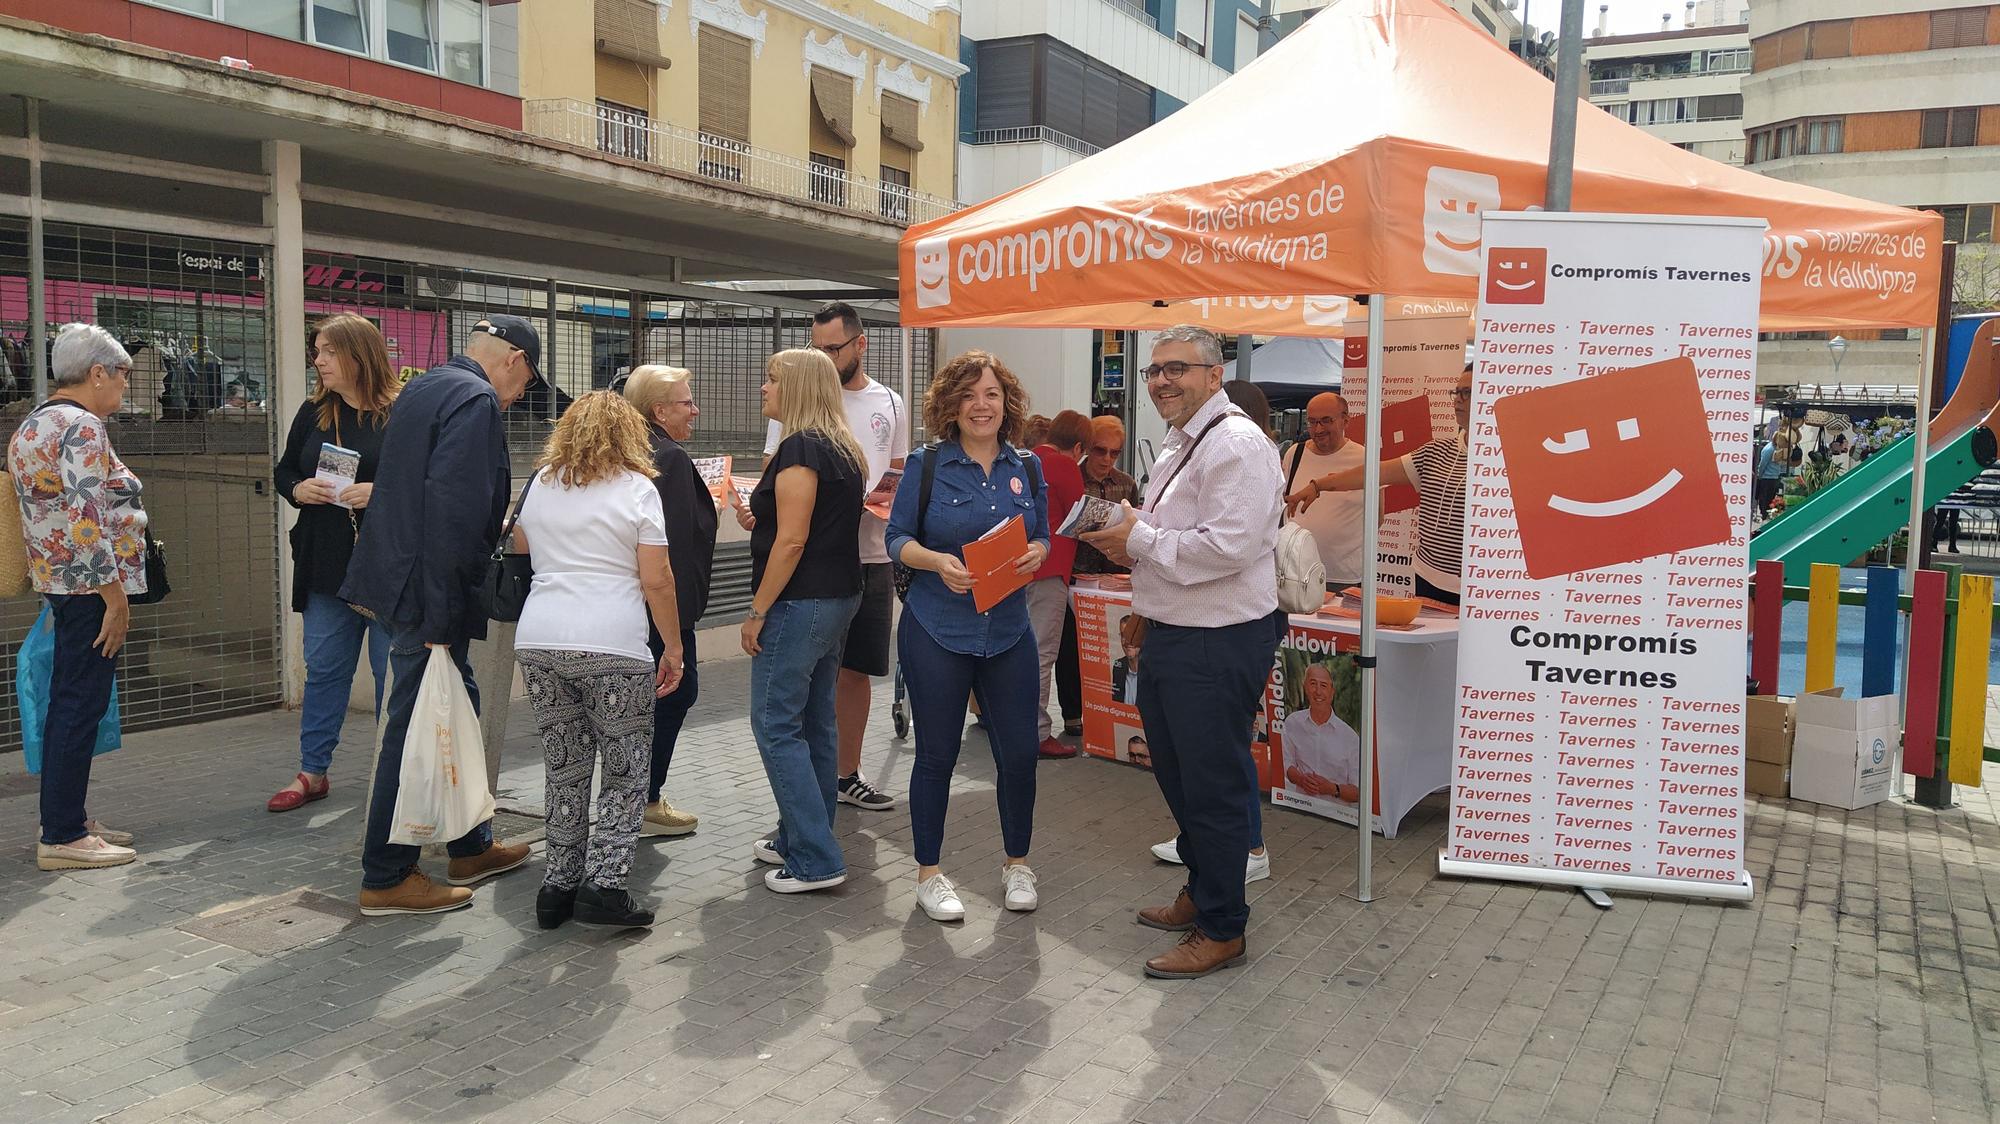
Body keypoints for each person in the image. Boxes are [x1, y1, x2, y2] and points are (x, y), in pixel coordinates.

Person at [1081, 324, 1284, 980]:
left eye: (1178, 369)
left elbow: (1226, 547)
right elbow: (1173, 529)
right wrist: (1142, 592)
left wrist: (1135, 540)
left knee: (1213, 786)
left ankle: (1224, 928)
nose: (1162, 380)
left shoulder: (1237, 443)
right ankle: (1203, 891)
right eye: (1154, 371)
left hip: (1217, 640)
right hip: (1174, 632)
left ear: (1214, 374)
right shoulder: (1183, 439)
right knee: (1178, 778)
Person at [340, 315, 540, 916]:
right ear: (513, 360)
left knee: (456, 702)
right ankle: (386, 874)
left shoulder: (428, 385)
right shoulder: (476, 398)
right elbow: (454, 509)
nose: (521, 395)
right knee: (411, 725)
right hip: (427, 589)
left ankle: (470, 844)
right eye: (527, 381)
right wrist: (446, 610)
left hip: (401, 577)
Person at [886, 350, 1050, 923]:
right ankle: (929, 874)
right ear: (951, 405)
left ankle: (1017, 863)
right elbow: (895, 540)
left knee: (1021, 755)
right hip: (937, 629)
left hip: (1008, 630)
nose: (981, 406)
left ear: (1007, 404)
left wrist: (1037, 552)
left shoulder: (1026, 466)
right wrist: (936, 561)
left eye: (992, 395)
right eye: (969, 395)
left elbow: (1045, 535)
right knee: (936, 754)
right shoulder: (926, 464)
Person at [513, 391, 685, 930]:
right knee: (625, 769)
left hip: (540, 638)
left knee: (565, 767)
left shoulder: (540, 483)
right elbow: (656, 577)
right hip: (611, 644)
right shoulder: (637, 489)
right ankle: (605, 888)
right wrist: (673, 646)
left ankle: (557, 887)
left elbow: (517, 544)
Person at [760, 303, 906, 813]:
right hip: (816, 563)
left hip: (869, 554)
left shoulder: (890, 402)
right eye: (816, 348)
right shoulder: (798, 398)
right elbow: (776, 476)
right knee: (807, 683)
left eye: (833, 349)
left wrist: (883, 502)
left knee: (856, 669)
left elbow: (899, 471)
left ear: (860, 344)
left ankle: (847, 773)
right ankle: (806, 793)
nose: (824, 357)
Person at [11, 324, 147, 871]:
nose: (125, 387)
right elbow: (85, 517)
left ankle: (65, 818)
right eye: (123, 375)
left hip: (60, 583)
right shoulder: (82, 426)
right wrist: (115, 598)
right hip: (88, 587)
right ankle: (63, 835)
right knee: (78, 704)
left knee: (71, 700)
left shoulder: (34, 422)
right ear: (97, 373)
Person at [738, 349, 866, 894]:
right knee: (815, 722)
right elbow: (799, 524)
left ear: (795, 388)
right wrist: (756, 515)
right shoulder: (843, 447)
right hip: (839, 597)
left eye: (771, 379)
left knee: (774, 723)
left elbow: (792, 541)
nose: (763, 388)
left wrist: (756, 610)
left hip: (799, 603)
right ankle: (803, 837)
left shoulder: (799, 447)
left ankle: (814, 856)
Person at [268, 315, 397, 813]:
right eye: (316, 351)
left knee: (392, 674)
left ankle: (392, 776)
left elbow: (425, 482)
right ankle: (312, 772)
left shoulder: (402, 413)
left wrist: (377, 493)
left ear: (357, 355)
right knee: (324, 670)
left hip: (384, 566)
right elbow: (283, 471)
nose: (317, 360)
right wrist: (299, 490)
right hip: (326, 564)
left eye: (326, 351)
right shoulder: (315, 411)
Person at [623, 365, 717, 837]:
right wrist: (677, 627)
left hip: (624, 607)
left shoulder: (628, 450)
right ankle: (645, 800)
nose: (695, 409)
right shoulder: (671, 458)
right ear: (659, 410)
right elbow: (678, 545)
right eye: (686, 401)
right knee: (675, 693)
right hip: (661, 612)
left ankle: (635, 796)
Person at [1287, 363, 1469, 606]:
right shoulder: (1437, 451)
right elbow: (1375, 474)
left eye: (1466, 392)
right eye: (1456, 392)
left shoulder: (1506, 456)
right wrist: (1318, 486)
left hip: (1477, 583)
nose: (1458, 399)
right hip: (1429, 577)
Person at [1027, 409, 1089, 758]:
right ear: (1078, 446)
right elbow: (1082, 517)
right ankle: (1037, 734)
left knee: (1023, 653)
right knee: (1042, 654)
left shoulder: (1029, 458)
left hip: (1024, 566)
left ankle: (1015, 727)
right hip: (1051, 567)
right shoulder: (1064, 466)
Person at [1284, 392, 1366, 589]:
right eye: (1312, 422)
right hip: (1295, 575)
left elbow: (1377, 518)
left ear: (1345, 420)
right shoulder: (1295, 453)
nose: (1318, 429)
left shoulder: (1364, 458)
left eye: (1326, 421)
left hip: (1343, 577)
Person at [1071, 415, 1139, 578]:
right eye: (1100, 450)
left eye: (1115, 453)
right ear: (1087, 447)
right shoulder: (1072, 479)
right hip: (1078, 573)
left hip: (1117, 572)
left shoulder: (1127, 484)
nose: (1107, 459)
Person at [1283, 664, 1360, 803]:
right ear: (1305, 687)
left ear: (1332, 692)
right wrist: (1301, 779)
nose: (1318, 691)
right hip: (1301, 808)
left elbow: (1359, 792)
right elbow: (1287, 764)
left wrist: (1332, 789)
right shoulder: (1292, 723)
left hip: (1336, 816)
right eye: (1313, 684)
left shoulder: (1350, 737)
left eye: (1323, 685)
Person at [1110, 613, 1144, 706]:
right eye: (1123, 635)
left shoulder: (1152, 670)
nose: (1128, 641)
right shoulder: (1118, 666)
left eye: (1133, 635)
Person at [1754, 438, 1783, 519]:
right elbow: (1763, 463)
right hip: (1767, 478)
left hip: (1772, 477)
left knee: (1769, 499)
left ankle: (1767, 515)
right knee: (1765, 499)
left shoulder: (1775, 448)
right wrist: (1759, 475)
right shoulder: (1769, 449)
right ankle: (1765, 516)